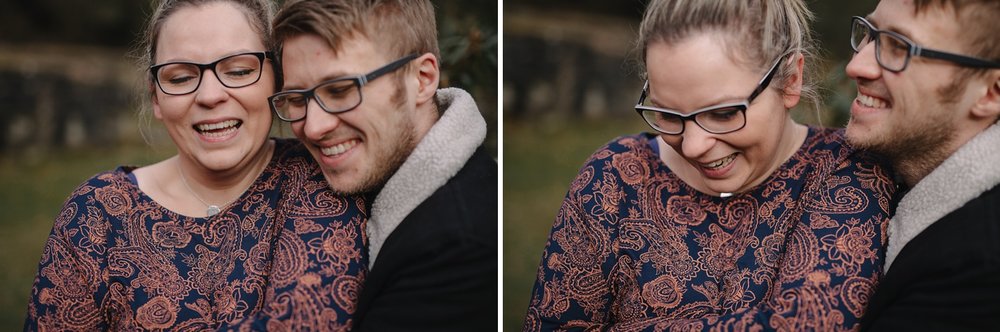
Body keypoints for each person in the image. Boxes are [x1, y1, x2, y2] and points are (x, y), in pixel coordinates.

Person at [524, 0, 897, 330]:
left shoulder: (844, 170)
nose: (694, 145)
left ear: (791, 81)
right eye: (667, 114)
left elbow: (808, 321)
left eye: (722, 113)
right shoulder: (612, 179)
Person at [24, 0, 368, 330]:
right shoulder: (95, 215)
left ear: (277, 79)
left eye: (238, 71)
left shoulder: (317, 177)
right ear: (156, 97)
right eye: (180, 78)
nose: (209, 95)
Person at [267, 0, 497, 330]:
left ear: (422, 78)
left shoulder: (463, 249)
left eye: (340, 90)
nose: (314, 127)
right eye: (297, 99)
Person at [843, 0, 1000, 330]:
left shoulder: (978, 274)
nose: (857, 65)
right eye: (870, 34)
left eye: (899, 47)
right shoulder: (864, 170)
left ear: (991, 93)